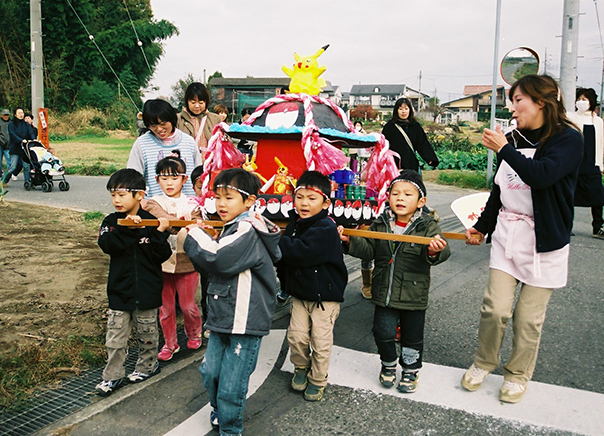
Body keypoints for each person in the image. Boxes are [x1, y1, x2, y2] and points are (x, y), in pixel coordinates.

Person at [461, 74, 583, 403]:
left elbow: (541, 176)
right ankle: (484, 362)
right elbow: (499, 191)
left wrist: (503, 149)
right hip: (508, 234)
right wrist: (482, 226)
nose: (512, 109)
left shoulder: (568, 139)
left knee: (528, 318)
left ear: (541, 102)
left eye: (518, 101)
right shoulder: (513, 139)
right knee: (495, 309)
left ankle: (517, 374)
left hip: (546, 240)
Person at [183, 168, 281, 436]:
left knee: (232, 383)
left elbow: (218, 258)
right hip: (224, 315)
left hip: (244, 319)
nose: (221, 204)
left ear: (249, 201)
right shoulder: (234, 227)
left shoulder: (248, 229)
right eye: (217, 197)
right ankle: (220, 409)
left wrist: (195, 234)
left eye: (228, 197)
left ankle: (230, 427)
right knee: (210, 371)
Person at [339, 170, 450, 393]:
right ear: (388, 197)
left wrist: (434, 251)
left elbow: (442, 252)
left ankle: (410, 370)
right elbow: (369, 249)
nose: (400, 198)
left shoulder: (427, 226)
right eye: (395, 193)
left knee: (412, 338)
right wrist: (350, 241)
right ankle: (388, 363)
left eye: (408, 194)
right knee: (382, 332)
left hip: (414, 295)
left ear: (421, 202)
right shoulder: (380, 223)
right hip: (384, 291)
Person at [96, 168, 172, 396]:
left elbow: (161, 255)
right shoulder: (111, 222)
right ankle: (112, 376)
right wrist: (127, 229)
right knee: (115, 338)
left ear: (139, 195)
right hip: (120, 291)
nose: (116, 200)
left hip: (147, 290)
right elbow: (107, 245)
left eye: (121, 195)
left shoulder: (152, 221)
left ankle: (148, 366)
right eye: (113, 195)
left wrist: (160, 232)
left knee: (148, 335)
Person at [276, 171, 348, 402]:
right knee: (296, 337)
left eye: (311, 198)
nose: (304, 203)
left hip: (324, 298)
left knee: (320, 341)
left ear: (325, 203)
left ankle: (317, 379)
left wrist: (273, 239)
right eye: (299, 197)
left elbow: (301, 253)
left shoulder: (325, 228)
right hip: (299, 295)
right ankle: (300, 367)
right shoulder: (294, 225)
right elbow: (284, 261)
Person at [143, 153, 203, 361]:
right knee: (166, 308)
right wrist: (182, 221)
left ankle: (194, 332)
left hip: (188, 262)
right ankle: (170, 343)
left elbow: (196, 220)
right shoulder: (153, 202)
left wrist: (184, 221)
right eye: (164, 178)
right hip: (161, 263)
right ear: (157, 179)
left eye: (175, 178)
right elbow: (162, 218)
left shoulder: (193, 202)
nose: (169, 183)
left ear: (184, 179)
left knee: (188, 305)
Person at [127, 99, 201, 198]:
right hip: (154, 204)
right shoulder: (142, 144)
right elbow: (133, 177)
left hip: (188, 203)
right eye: (153, 126)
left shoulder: (189, 142)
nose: (159, 129)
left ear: (171, 119)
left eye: (163, 124)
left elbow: (199, 176)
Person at [566, 87, 604, 239]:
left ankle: (598, 226)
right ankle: (567, 225)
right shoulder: (570, 117)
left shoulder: (598, 121)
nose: (580, 102)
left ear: (591, 102)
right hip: (575, 163)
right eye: (579, 99)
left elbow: (600, 143)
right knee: (570, 195)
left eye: (584, 99)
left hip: (592, 163)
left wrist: (600, 164)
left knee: (598, 196)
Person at [382, 97, 439, 172]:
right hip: (393, 165)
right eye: (400, 109)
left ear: (410, 110)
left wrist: (430, 158)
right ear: (396, 111)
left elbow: (422, 144)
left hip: (411, 164)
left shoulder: (415, 126)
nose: (403, 111)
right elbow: (383, 144)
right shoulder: (390, 126)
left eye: (406, 109)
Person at [190, 164, 211, 340]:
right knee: (206, 289)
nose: (205, 193)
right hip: (202, 253)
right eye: (200, 188)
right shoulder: (192, 205)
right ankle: (208, 320)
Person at [176, 82, 222, 155]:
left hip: (209, 161)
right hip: (187, 160)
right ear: (187, 101)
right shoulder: (177, 119)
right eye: (193, 102)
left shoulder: (215, 119)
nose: (197, 106)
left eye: (201, 103)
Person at [1, 108, 35, 191]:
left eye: (22, 113)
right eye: (19, 113)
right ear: (15, 115)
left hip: (25, 148)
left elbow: (31, 132)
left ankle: (28, 182)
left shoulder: (26, 124)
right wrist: (21, 140)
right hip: (15, 148)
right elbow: (13, 134)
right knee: (13, 167)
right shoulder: (11, 124)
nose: (21, 114)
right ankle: (3, 180)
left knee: (26, 166)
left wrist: (33, 139)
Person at [0, 108, 10, 181]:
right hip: (0, 143)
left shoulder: (11, 123)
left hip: (8, 145)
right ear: (1, 115)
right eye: (4, 115)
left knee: (9, 162)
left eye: (7, 115)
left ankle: (5, 177)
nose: (6, 116)